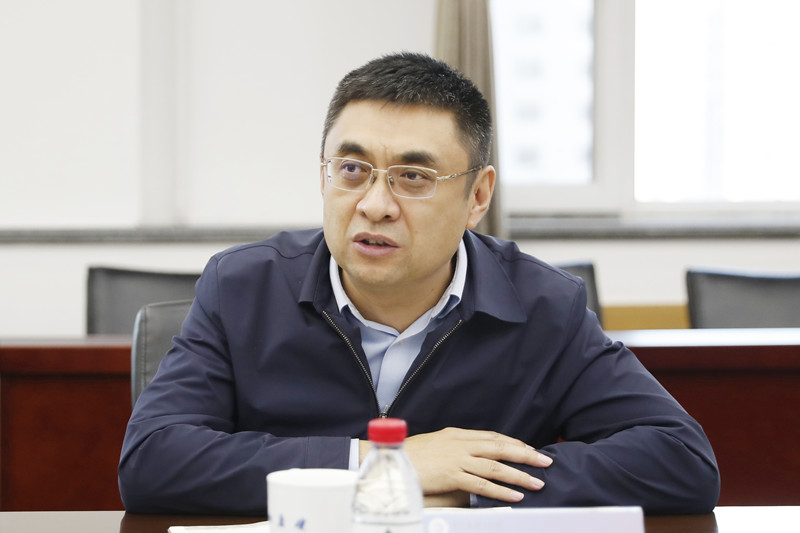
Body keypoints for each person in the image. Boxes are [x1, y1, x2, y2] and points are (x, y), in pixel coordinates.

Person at [118, 53, 719, 515]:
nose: (374, 205)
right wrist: (386, 467)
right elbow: (152, 459)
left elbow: (680, 460)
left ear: (477, 197)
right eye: (351, 169)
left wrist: (468, 486)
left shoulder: (543, 305)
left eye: (413, 176)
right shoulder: (242, 286)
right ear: (323, 176)